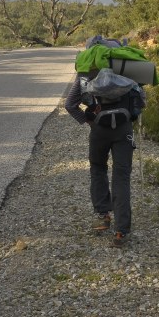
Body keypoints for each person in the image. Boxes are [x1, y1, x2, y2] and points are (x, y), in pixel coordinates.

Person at [65, 37, 137, 248]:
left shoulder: (87, 69)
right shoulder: (125, 66)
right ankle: (121, 231)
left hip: (99, 128)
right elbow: (140, 99)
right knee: (121, 176)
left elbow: (70, 105)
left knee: (98, 168)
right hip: (123, 128)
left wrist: (88, 120)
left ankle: (103, 216)